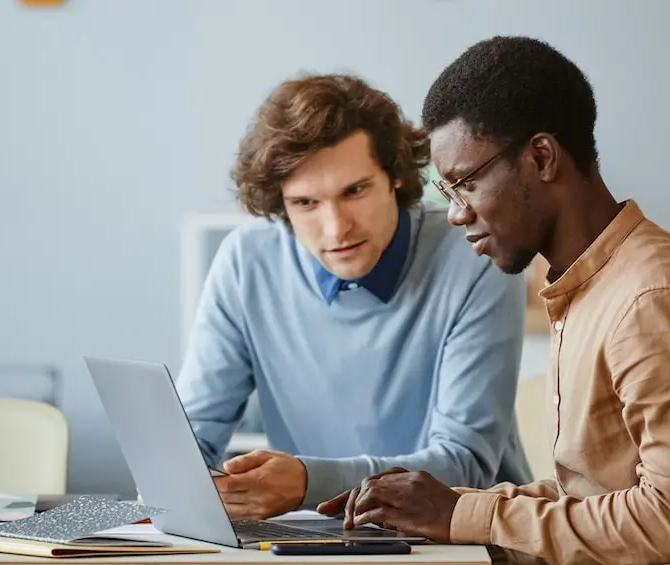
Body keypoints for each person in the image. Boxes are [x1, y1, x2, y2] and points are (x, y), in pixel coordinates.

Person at [318, 36, 670, 564]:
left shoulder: (654, 301)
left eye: (465, 185)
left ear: (541, 157)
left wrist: (463, 516)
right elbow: (595, 503)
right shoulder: (594, 284)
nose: (455, 213)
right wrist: (448, 507)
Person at [173, 73, 533, 521]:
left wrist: (307, 481)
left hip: (459, 537)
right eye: (305, 203)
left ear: (395, 177)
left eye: (354, 191)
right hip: (313, 537)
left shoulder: (476, 255)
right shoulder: (247, 261)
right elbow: (188, 441)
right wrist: (194, 484)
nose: (336, 228)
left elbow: (464, 465)